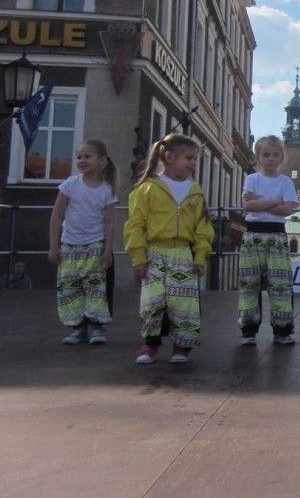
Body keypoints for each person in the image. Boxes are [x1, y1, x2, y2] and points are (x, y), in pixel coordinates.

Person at [124, 134, 214, 365]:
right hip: (154, 253)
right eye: (189, 158)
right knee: (153, 301)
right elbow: (136, 224)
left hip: (183, 253)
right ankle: (150, 343)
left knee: (184, 303)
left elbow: (203, 227)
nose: (193, 163)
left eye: (195, 159)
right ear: (169, 157)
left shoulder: (195, 191)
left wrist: (200, 255)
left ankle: (182, 347)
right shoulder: (147, 189)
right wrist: (138, 256)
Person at [48, 140, 118, 345]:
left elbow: (110, 223)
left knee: (95, 288)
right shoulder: (70, 184)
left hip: (94, 245)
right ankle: (78, 328)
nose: (82, 160)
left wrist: (107, 250)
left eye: (87, 156)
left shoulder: (107, 190)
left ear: (102, 160)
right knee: (70, 287)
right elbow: (56, 216)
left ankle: (96, 326)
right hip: (69, 245)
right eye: (79, 157)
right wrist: (54, 245)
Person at [238, 135, 299, 345]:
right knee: (249, 283)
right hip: (253, 235)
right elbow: (247, 206)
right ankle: (248, 331)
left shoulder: (286, 182)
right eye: (266, 154)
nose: (270, 159)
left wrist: (260, 202)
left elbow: (288, 209)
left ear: (281, 157)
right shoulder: (252, 179)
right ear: (258, 157)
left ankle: (282, 331)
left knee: (280, 284)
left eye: (275, 155)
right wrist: (274, 202)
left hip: (276, 235)